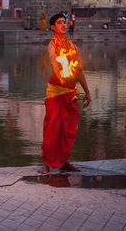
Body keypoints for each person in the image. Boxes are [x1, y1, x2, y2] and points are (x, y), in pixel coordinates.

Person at [38, 13, 90, 174]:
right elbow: (54, 63)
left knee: (69, 128)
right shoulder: (52, 45)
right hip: (56, 89)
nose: (63, 25)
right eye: (59, 23)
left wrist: (87, 91)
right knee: (52, 127)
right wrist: (61, 78)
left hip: (70, 89)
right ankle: (46, 163)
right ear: (53, 27)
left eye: (64, 22)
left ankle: (64, 161)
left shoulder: (72, 46)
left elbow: (79, 70)